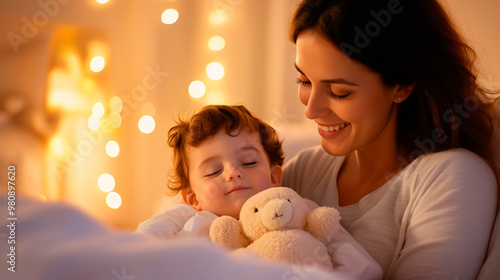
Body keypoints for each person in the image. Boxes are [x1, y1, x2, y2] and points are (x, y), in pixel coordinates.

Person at [284, 0, 500, 279]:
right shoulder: (303, 170)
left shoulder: (453, 176)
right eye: (304, 81)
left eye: (339, 92)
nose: (311, 110)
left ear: (402, 85)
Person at [135, 105, 383, 278]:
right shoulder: (186, 218)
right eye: (213, 171)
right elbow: (142, 243)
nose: (232, 172)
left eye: (249, 162)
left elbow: (360, 266)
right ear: (193, 198)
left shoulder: (298, 211)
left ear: (275, 177)